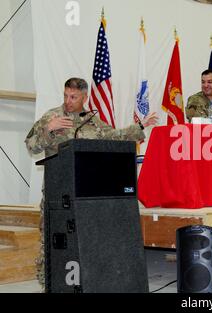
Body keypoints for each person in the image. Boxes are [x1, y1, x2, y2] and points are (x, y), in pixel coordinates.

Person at [24, 77, 159, 290]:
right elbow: (31, 147)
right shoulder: (52, 116)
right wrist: (48, 129)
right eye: (66, 95)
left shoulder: (92, 121)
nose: (68, 101)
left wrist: (141, 126)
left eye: (74, 97)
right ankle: (48, 284)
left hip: (87, 195)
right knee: (50, 242)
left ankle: (84, 281)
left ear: (84, 97)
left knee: (86, 240)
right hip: (58, 193)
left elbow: (115, 137)